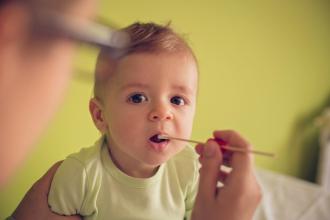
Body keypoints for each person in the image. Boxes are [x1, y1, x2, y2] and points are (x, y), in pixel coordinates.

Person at [0, 1, 261, 219]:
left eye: (178, 100)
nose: (163, 112)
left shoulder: (190, 168)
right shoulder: (79, 174)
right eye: (137, 97)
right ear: (100, 116)